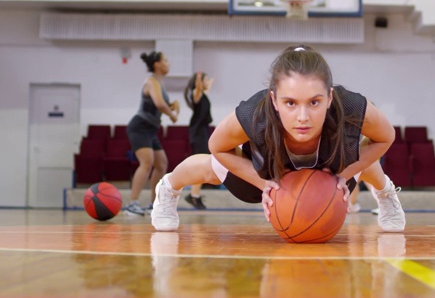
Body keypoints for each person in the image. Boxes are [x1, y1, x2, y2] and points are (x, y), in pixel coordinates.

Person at [151, 45, 406, 232]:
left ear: (329, 97)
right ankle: (168, 189)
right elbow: (216, 146)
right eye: (291, 103)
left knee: (356, 153)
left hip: (327, 170)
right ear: (274, 100)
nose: (303, 116)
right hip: (267, 171)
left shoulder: (350, 107)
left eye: (314, 102)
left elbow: (385, 137)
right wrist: (263, 184)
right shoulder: (255, 113)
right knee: (210, 167)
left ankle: (385, 195)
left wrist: (346, 173)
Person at [123, 51, 180, 216]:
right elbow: (159, 104)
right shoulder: (151, 81)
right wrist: (172, 114)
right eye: (166, 61)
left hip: (150, 129)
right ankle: (132, 204)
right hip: (139, 127)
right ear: (157, 64)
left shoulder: (158, 83)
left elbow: (162, 104)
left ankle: (153, 204)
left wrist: (172, 105)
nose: (168, 64)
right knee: (146, 163)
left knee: (161, 164)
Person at [182, 72, 215, 210]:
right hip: (198, 133)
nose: (208, 82)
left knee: (204, 164)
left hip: (203, 132)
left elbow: (207, 87)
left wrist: (210, 80)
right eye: (205, 80)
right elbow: (200, 89)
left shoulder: (203, 94)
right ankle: (193, 196)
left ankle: (194, 195)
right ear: (199, 82)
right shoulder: (197, 93)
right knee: (202, 165)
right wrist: (199, 82)